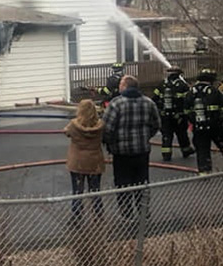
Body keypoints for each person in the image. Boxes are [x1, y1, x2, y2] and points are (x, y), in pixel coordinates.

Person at [102, 74, 161, 219]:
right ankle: (143, 211)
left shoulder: (116, 104)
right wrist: (145, 137)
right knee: (142, 182)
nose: (119, 86)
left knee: (123, 184)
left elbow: (107, 128)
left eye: (121, 84)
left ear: (126, 86)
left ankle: (127, 214)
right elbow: (157, 125)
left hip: (121, 153)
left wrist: (110, 144)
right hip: (142, 151)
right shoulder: (149, 103)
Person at [64, 99, 105, 223]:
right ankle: (98, 215)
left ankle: (76, 216)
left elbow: (66, 132)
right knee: (95, 190)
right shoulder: (100, 125)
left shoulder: (73, 125)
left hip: (78, 163)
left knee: (77, 191)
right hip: (95, 162)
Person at [184, 69, 223, 175]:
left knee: (202, 150)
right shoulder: (214, 91)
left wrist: (193, 120)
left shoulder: (191, 92)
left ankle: (204, 172)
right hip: (216, 126)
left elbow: (186, 109)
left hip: (198, 127)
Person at [151, 67, 195, 161]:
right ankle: (186, 150)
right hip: (179, 115)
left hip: (165, 115)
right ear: (179, 74)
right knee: (181, 133)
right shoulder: (183, 85)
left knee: (167, 134)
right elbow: (188, 100)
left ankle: (166, 154)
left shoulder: (162, 84)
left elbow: (154, 98)